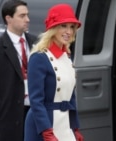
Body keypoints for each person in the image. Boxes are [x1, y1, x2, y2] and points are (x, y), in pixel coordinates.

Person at [0, 1, 36, 141]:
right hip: (6, 120)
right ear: (8, 18)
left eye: (27, 15)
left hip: (33, 114)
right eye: (22, 16)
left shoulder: (36, 43)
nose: (27, 19)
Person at [24, 4, 84, 141]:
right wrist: (46, 131)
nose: (68, 31)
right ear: (52, 28)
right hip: (43, 125)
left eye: (72, 27)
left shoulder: (67, 57)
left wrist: (75, 128)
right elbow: (36, 101)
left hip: (65, 125)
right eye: (63, 26)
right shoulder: (38, 57)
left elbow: (71, 97)